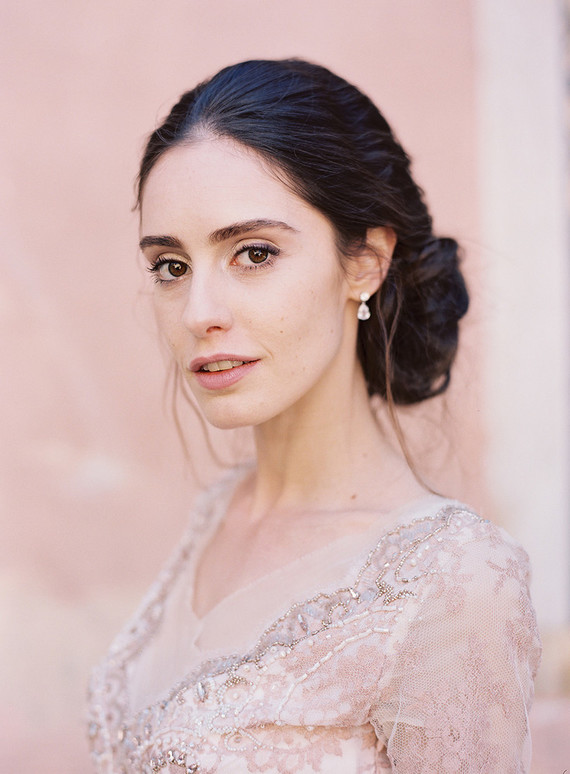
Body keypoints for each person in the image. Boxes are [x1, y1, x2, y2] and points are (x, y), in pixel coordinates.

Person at [87, 59, 540, 773]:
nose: (199, 312)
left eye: (254, 253)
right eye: (171, 266)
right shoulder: (217, 513)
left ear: (364, 262)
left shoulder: (451, 580)